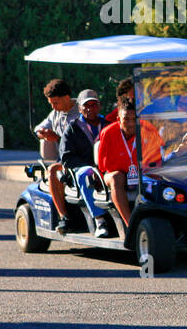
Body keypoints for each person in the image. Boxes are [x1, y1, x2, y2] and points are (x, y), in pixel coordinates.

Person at [97, 95, 163, 236]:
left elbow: (156, 161)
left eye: (135, 119)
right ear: (118, 119)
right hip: (117, 173)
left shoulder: (149, 130)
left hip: (141, 172)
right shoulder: (108, 133)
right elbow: (105, 166)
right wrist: (128, 169)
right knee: (116, 178)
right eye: (126, 119)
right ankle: (131, 226)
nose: (131, 124)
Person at [57, 90, 110, 237]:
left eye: (93, 104)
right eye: (86, 105)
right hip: (85, 169)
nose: (89, 108)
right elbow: (67, 157)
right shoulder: (72, 128)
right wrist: (91, 166)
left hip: (107, 167)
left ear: (99, 106)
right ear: (79, 108)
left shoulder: (109, 125)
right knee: (86, 174)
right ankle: (100, 221)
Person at [33, 79, 77, 233]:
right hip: (63, 160)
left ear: (67, 98)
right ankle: (63, 215)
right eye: (51, 103)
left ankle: (64, 217)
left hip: (77, 159)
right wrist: (41, 133)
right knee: (53, 170)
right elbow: (40, 127)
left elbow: (79, 142)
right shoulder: (56, 113)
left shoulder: (80, 113)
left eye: (56, 103)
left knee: (52, 171)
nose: (53, 107)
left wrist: (57, 138)